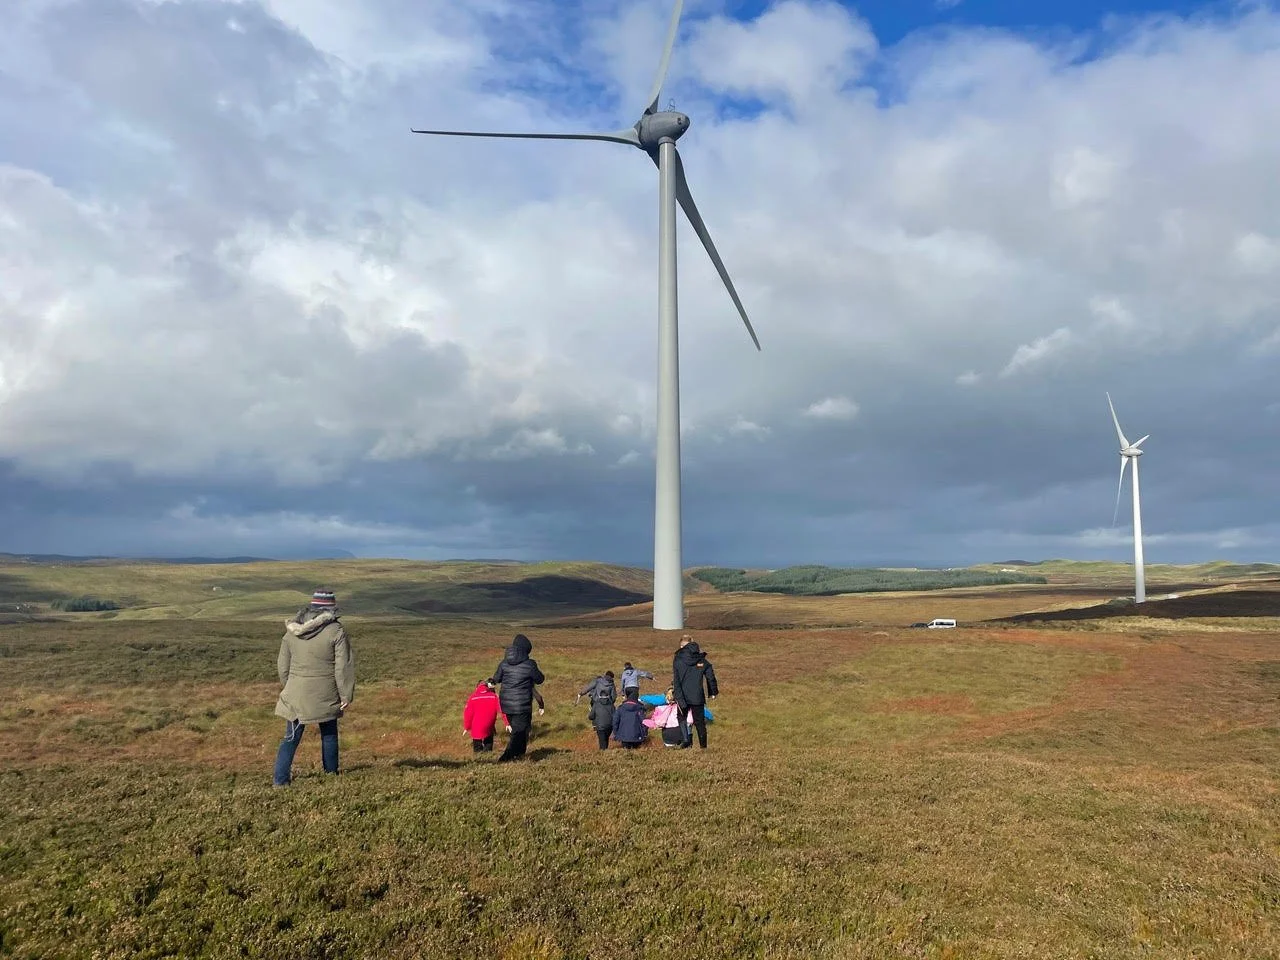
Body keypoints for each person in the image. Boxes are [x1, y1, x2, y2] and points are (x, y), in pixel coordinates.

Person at [272, 588, 355, 786]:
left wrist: (289, 687)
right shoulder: (336, 631)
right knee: (329, 734)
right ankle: (330, 776)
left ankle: (280, 782)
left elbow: (282, 666)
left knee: (290, 738)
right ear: (331, 609)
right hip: (326, 693)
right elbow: (343, 667)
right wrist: (346, 695)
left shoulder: (291, 632)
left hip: (295, 695)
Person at [491, 633, 545, 762]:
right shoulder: (530, 664)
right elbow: (540, 679)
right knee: (519, 733)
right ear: (526, 649)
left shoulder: (504, 663)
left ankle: (518, 757)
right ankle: (505, 758)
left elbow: (496, 679)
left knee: (520, 731)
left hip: (506, 705)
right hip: (522, 705)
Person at [672, 634, 717, 750]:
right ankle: (703, 747)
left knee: (681, 717)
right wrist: (713, 692)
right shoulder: (701, 659)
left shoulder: (677, 659)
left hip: (682, 695)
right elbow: (710, 676)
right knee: (699, 722)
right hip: (697, 696)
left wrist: (677, 695)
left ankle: (686, 740)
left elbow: (676, 680)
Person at [462, 679, 507, 753]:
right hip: (489, 726)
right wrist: (507, 723)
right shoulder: (494, 696)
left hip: (476, 726)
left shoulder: (473, 697)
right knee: (488, 741)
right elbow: (502, 710)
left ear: (477, 688)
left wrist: (467, 727)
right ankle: (488, 755)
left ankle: (479, 757)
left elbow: (468, 714)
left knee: (477, 744)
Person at [576, 671, 617, 750]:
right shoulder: (612, 684)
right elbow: (614, 696)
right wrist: (610, 703)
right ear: (612, 677)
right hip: (608, 703)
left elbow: (589, 687)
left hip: (596, 702)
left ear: (605, 675)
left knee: (595, 714)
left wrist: (581, 693)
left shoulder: (598, 681)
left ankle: (596, 726)